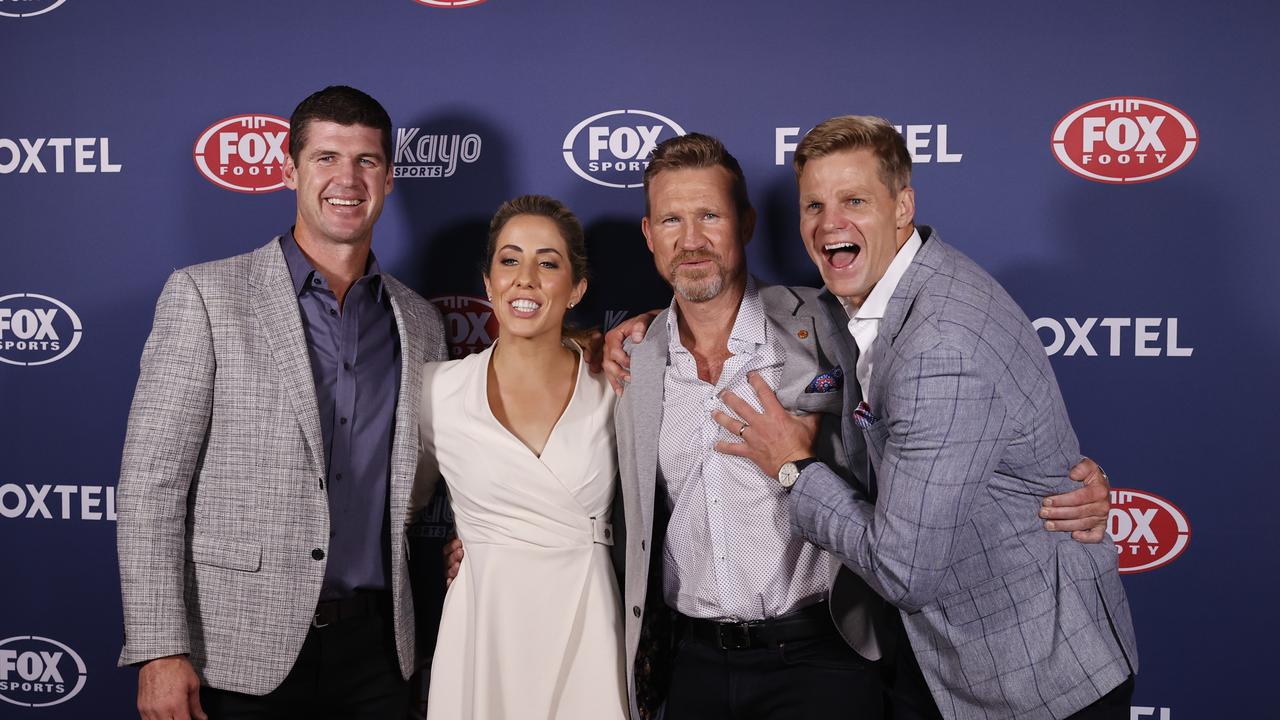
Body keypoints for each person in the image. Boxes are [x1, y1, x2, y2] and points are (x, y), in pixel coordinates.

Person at [591, 133, 1113, 720]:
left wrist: (1056, 478)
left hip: (824, 658)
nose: (691, 240)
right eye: (671, 220)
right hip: (694, 665)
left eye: (709, 215)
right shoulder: (631, 359)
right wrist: (588, 339)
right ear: (648, 235)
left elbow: (966, 402)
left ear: (746, 223)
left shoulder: (838, 321)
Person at [116, 85, 446, 720]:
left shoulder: (419, 320)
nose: (346, 179)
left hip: (378, 654)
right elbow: (150, 486)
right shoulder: (205, 297)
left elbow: (431, 477)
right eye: (325, 158)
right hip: (234, 652)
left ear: (390, 178)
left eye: (366, 161)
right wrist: (160, 649)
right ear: (289, 169)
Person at [416, 195, 628, 719]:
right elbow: (403, 509)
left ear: (576, 287)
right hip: (483, 629)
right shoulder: (435, 391)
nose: (526, 278)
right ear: (488, 282)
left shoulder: (617, 386)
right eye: (509, 260)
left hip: (590, 627)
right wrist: (464, 540)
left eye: (548, 262)